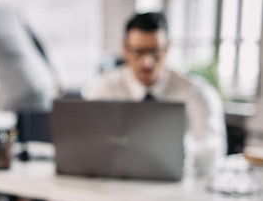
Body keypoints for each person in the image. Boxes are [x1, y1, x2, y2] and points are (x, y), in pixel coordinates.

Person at [83, 11, 227, 176]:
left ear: (167, 48)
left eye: (155, 52)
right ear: (125, 49)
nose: (147, 62)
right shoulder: (102, 88)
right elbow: (91, 145)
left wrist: (169, 154)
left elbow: (212, 152)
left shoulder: (198, 92)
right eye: (139, 52)